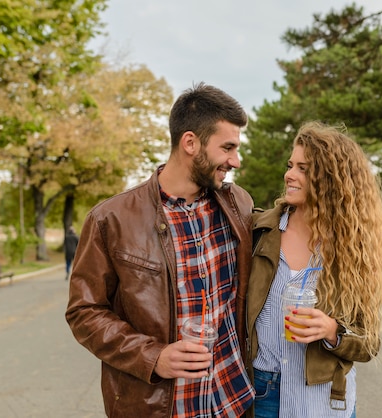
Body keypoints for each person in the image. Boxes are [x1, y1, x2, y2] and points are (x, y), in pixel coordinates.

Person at [65, 83, 255, 417]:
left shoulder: (238, 203)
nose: (235, 161)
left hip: (232, 401)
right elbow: (84, 312)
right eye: (227, 148)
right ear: (191, 143)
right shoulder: (111, 219)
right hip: (160, 407)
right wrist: (152, 356)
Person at [247, 121, 382, 418]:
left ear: (330, 179)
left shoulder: (356, 251)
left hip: (324, 400)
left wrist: (331, 332)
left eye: (303, 168)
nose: (289, 175)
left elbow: (369, 343)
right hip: (262, 394)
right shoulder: (258, 231)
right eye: (291, 165)